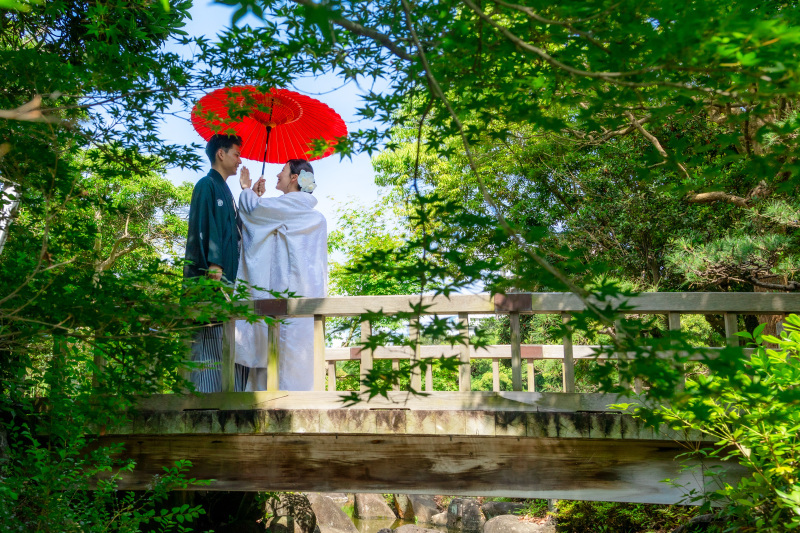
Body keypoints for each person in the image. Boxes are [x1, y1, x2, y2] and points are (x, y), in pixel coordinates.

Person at [235, 159, 328, 391]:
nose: (278, 174)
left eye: (283, 171)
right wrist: (258, 197)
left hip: (283, 298)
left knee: (277, 355)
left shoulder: (288, 207)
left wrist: (247, 189)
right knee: (297, 360)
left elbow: (255, 212)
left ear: (294, 178)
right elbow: (264, 213)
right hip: (305, 305)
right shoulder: (311, 215)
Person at [183, 133, 250, 392]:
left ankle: (223, 395)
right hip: (212, 277)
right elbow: (204, 226)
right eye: (236, 153)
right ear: (220, 154)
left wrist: (250, 195)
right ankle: (202, 399)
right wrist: (214, 264)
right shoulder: (206, 185)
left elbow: (232, 232)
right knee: (209, 335)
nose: (239, 159)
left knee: (224, 336)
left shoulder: (226, 191)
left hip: (227, 278)